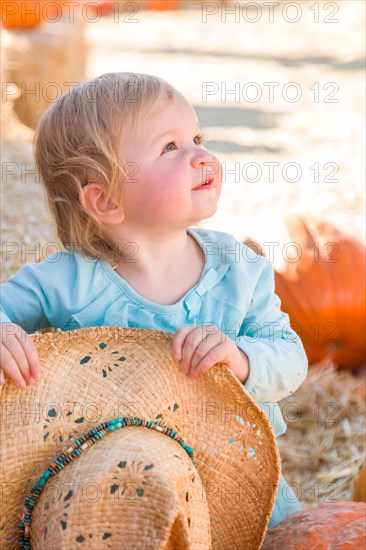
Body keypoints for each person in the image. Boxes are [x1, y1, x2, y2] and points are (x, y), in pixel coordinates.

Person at [0, 72, 307, 528]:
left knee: (300, 537)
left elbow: (290, 357)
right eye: (171, 148)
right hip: (115, 490)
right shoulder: (68, 280)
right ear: (105, 201)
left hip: (232, 480)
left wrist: (240, 359)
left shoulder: (239, 270)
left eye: (198, 138)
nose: (203, 156)